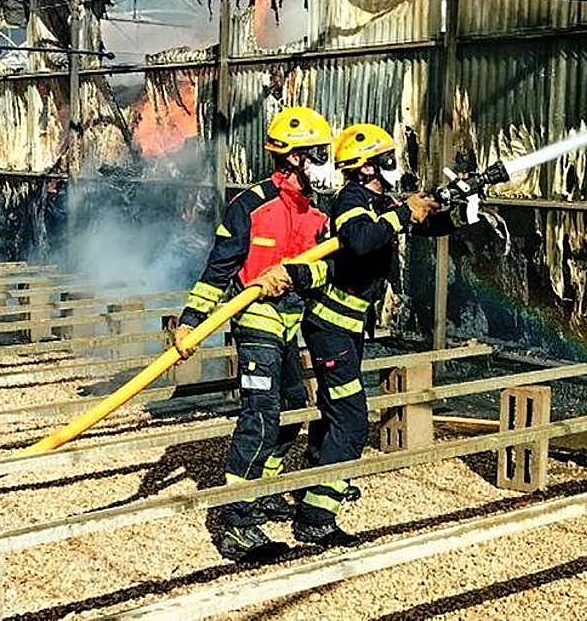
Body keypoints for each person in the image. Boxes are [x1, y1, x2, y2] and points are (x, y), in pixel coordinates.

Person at [287, 123, 483, 547]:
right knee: (353, 422)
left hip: (347, 328)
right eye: (388, 159)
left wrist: (458, 211)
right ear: (370, 166)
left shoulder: (377, 200)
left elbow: (419, 226)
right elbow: (359, 240)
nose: (395, 166)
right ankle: (316, 517)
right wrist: (401, 213)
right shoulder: (351, 201)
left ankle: (315, 482)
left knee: (334, 412)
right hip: (331, 328)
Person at [172, 106, 335, 562]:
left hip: (292, 322)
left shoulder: (319, 212)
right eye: (319, 153)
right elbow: (219, 268)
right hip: (256, 321)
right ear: (293, 159)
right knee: (261, 416)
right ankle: (236, 522)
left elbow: (332, 267)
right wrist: (190, 322)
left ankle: (263, 488)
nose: (328, 161)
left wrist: (303, 277)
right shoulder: (250, 205)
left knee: (296, 410)